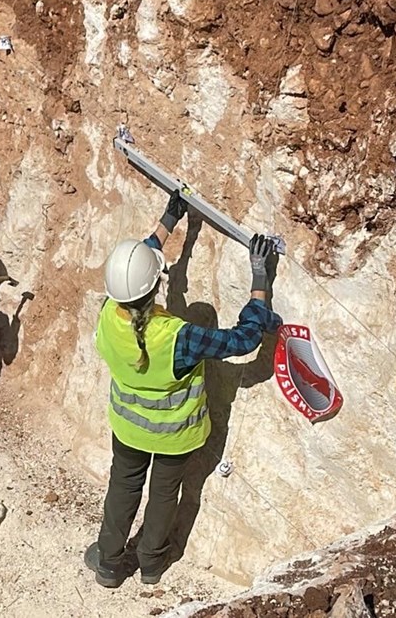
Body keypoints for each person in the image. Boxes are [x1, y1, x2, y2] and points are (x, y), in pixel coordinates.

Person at [84, 193, 282, 588]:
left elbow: (136, 268)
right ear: (155, 286)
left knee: (123, 487)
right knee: (163, 494)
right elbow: (243, 341)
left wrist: (169, 221)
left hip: (128, 427)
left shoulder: (109, 312)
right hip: (176, 436)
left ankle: (108, 562)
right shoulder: (179, 337)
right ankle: (151, 565)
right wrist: (259, 280)